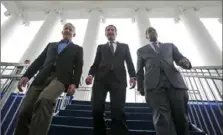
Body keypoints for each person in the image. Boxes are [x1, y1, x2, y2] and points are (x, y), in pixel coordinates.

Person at [14, 23, 83, 135]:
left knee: (45, 100)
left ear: (73, 34)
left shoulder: (77, 49)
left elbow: (79, 67)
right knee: (25, 111)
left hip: (60, 79)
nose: (68, 30)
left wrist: (74, 84)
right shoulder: (51, 45)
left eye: (70, 29)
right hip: (41, 77)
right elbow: (39, 61)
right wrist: (26, 76)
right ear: (62, 32)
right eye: (66, 28)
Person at [136, 27, 192, 135]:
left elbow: (180, 58)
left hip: (175, 84)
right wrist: (141, 87)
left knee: (180, 116)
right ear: (146, 36)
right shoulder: (141, 51)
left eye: (154, 31)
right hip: (153, 87)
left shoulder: (170, 46)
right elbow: (139, 70)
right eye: (149, 32)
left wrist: (185, 63)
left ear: (157, 34)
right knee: (161, 118)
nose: (152, 32)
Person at [85, 25, 136, 135]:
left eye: (112, 30)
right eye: (108, 30)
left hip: (118, 80)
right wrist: (90, 75)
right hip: (100, 80)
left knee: (118, 111)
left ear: (116, 33)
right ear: (105, 33)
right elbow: (95, 63)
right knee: (97, 109)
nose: (110, 31)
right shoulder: (100, 47)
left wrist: (132, 76)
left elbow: (129, 62)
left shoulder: (124, 46)